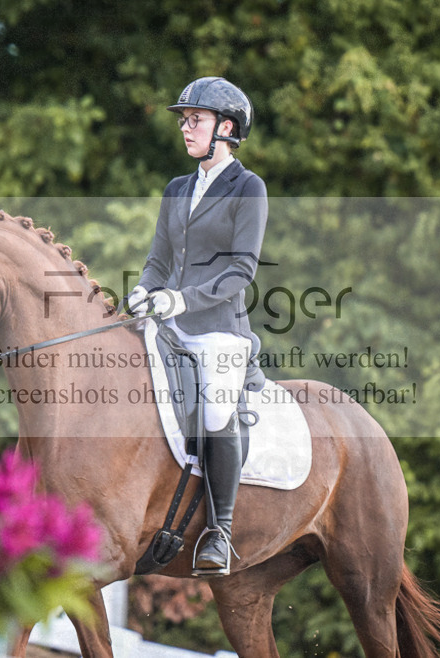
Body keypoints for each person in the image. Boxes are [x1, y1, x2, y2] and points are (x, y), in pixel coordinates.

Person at [126, 77, 268, 576]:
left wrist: (180, 299)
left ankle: (220, 531)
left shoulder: (248, 188)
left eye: (196, 120)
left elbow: (240, 272)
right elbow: (158, 258)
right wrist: (145, 291)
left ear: (226, 128)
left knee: (213, 414)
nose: (186, 129)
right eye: (184, 121)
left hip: (218, 330)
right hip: (168, 322)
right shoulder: (177, 188)